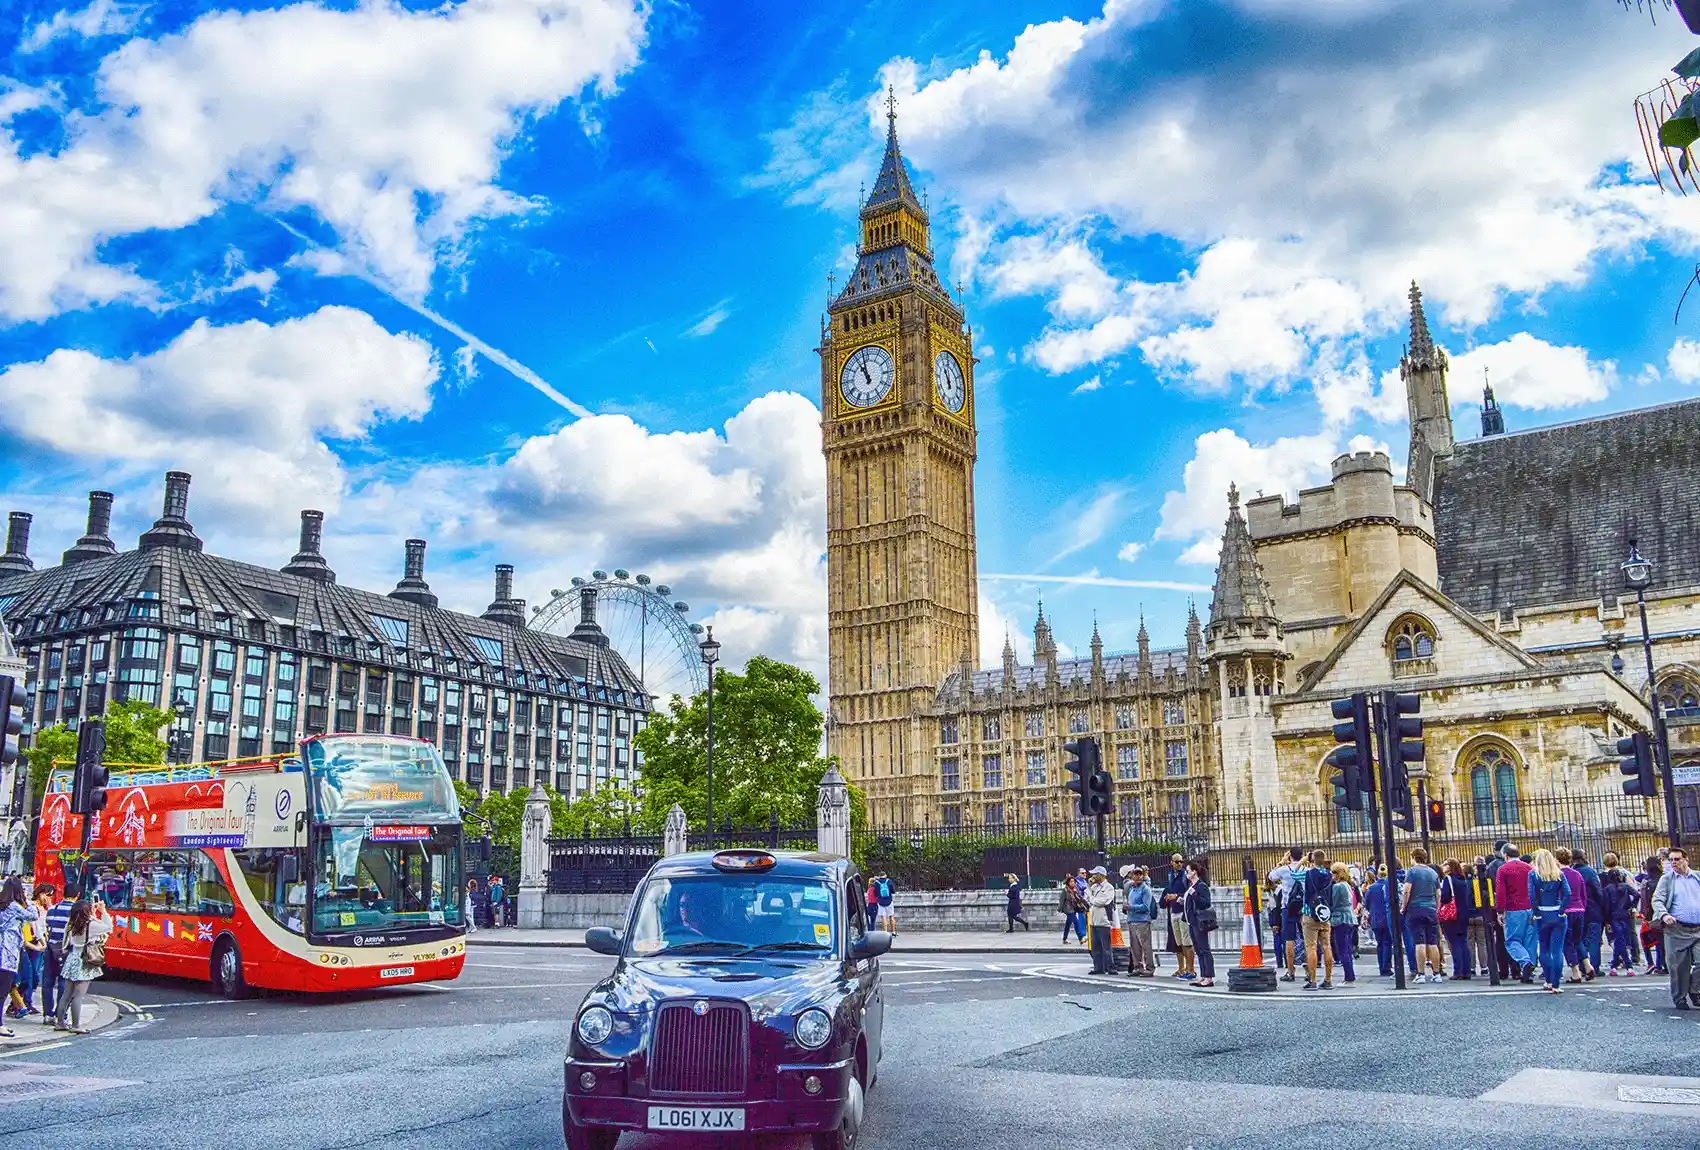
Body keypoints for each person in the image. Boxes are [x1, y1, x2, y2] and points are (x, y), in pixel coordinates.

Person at [1651, 845, 1700, 1009]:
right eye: (1671, 860)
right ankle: (1680, 998)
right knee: (1678, 967)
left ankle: (1695, 990)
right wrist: (1664, 915)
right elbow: (1657, 900)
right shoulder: (1667, 879)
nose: (1673, 862)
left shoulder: (1697, 877)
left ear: (1686, 859)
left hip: (1698, 928)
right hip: (1676, 929)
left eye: (1677, 859)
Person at [54, 899, 111, 1034]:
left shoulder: (71, 923)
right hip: (83, 961)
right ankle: (76, 1025)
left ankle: (60, 1022)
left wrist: (92, 913)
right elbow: (108, 927)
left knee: (66, 994)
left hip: (72, 958)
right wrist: (102, 911)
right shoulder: (90, 925)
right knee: (78, 995)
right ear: (86, 911)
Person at [1527, 848, 1571, 994]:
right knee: (1557, 950)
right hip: (1557, 914)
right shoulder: (1559, 874)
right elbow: (1567, 893)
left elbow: (1532, 896)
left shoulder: (1533, 874)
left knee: (1544, 949)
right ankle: (1556, 984)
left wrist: (1536, 912)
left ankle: (1548, 981)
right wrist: (1562, 910)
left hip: (1542, 914)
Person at [1494, 844, 1536, 983]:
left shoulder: (1503, 869)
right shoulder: (1529, 868)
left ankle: (1525, 962)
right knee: (1529, 941)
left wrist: (1499, 911)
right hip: (1530, 908)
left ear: (1505, 855)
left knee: (1512, 941)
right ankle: (1529, 971)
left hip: (1513, 909)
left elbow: (1500, 892)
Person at [1402, 848, 1443, 984]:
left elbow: (1407, 891)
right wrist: (1436, 908)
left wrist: (1404, 906)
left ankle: (1420, 974)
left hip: (1415, 909)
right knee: (1433, 943)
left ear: (1414, 857)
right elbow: (1438, 894)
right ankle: (1436, 974)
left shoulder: (1412, 871)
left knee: (1419, 943)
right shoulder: (1433, 873)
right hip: (1431, 910)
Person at [1268, 848, 1306, 982]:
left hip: (1287, 907)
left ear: (1290, 856)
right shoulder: (1305, 870)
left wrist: (1281, 862)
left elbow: (1271, 876)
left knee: (1289, 940)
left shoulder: (1284, 869)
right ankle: (1308, 969)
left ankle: (1290, 971)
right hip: (1303, 908)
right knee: (1307, 938)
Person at [1554, 847, 1592, 982]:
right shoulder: (1577, 874)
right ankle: (1587, 965)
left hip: (1566, 912)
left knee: (1567, 942)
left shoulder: (1557, 875)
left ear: (1557, 859)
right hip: (1579, 910)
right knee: (1578, 940)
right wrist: (1582, 907)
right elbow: (1584, 895)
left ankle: (1576, 972)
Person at [1299, 849, 1335, 990]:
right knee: (1326, 946)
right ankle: (1328, 979)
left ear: (1312, 859)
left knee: (1311, 947)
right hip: (1324, 914)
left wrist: (1303, 860)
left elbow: (1293, 874)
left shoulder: (1307, 873)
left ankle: (1313, 980)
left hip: (1310, 914)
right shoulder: (1329, 875)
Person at [0, 878, 30, 1038]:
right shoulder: (14, 907)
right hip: (7, 955)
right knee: (2, 992)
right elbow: (32, 915)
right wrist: (26, 900)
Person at [1439, 859, 1475, 980]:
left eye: (1445, 864)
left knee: (1455, 943)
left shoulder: (1448, 880)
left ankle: (1458, 971)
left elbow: (1444, 897)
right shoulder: (1462, 879)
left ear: (1450, 867)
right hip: (1463, 914)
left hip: (1452, 915)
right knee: (1463, 942)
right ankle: (1466, 971)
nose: (1443, 866)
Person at [1182, 858, 1215, 988]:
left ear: (1194, 872)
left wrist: (1194, 894)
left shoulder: (1201, 886)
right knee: (1199, 950)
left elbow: (1205, 903)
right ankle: (1203, 975)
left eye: (1188, 871)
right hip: (1192, 921)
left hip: (1199, 921)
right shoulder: (1192, 886)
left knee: (1204, 949)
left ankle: (1209, 977)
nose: (1186, 873)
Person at [40, 885, 71, 1023]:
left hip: (51, 948)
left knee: (47, 982)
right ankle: (61, 1014)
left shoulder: (53, 909)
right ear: (77, 895)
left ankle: (47, 1014)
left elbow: (48, 925)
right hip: (66, 949)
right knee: (64, 983)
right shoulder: (76, 910)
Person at [1575, 849, 1606, 980]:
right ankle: (1594, 967)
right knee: (1594, 940)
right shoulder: (1589, 871)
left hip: (1577, 910)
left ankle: (1583, 966)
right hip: (1593, 909)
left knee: (1579, 939)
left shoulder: (1571, 871)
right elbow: (1598, 891)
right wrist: (1603, 907)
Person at [1122, 865, 1158, 977]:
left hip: (1142, 921)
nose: (1137, 876)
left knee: (1145, 946)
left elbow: (1146, 907)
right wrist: (1126, 908)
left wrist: (1131, 907)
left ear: (1143, 876)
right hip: (1132, 920)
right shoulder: (1132, 889)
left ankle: (1149, 968)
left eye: (1140, 874)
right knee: (1135, 946)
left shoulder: (1145, 889)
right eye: (1135, 874)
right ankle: (1138, 967)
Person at [1085, 866, 1120, 975]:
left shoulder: (1109, 887)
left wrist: (1092, 900)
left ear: (1101, 875)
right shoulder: (1094, 886)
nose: (1093, 876)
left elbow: (1104, 901)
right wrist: (1089, 887)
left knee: (1106, 947)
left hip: (1103, 920)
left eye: (1095, 874)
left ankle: (1110, 967)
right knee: (1096, 947)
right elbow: (1087, 897)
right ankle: (1098, 967)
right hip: (1094, 920)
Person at [1329, 863, 1357, 984]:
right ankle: (1350, 974)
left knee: (1342, 950)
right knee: (1348, 949)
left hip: (1340, 919)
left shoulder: (1337, 887)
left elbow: (1333, 903)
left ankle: (1348, 977)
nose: (1332, 875)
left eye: (1333, 872)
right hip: (1350, 918)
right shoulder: (1347, 885)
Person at [1604, 869, 1637, 974]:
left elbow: (1606, 906)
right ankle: (1624, 965)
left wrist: (1607, 920)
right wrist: (1632, 906)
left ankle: (1624, 965)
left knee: (1619, 939)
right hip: (1625, 915)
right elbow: (1637, 895)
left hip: (1613, 916)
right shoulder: (1625, 887)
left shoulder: (1607, 889)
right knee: (1621, 938)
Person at [1161, 854, 1190, 973]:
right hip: (1173, 912)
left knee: (1186, 942)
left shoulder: (1185, 876)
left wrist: (1176, 896)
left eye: (1181, 862)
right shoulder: (1170, 876)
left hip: (1183, 913)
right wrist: (1167, 898)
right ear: (1171, 862)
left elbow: (1189, 893)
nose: (1179, 864)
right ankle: (1181, 968)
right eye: (1177, 862)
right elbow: (1168, 890)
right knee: (1177, 942)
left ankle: (1189, 968)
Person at [1638, 855, 1665, 975]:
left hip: (1647, 915)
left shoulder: (1645, 881)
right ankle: (1660, 964)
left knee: (1645, 940)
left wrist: (1643, 913)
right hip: (1660, 913)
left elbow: (1643, 899)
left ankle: (1650, 962)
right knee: (1660, 941)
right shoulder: (1662, 879)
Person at [1363, 864, 1393, 976]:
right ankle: (1387, 966)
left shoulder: (1371, 888)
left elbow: (1366, 904)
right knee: (1387, 943)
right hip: (1388, 917)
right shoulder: (1390, 885)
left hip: (1376, 918)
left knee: (1380, 944)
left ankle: (1382, 967)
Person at [1058, 876, 1086, 945]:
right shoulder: (1065, 890)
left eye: (1074, 881)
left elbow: (1079, 898)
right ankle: (1081, 938)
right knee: (1076, 922)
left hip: (1074, 908)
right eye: (1071, 881)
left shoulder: (1075, 889)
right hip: (1068, 909)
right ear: (1068, 882)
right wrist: (1060, 909)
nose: (1073, 883)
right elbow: (1062, 900)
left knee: (1068, 924)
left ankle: (1064, 939)